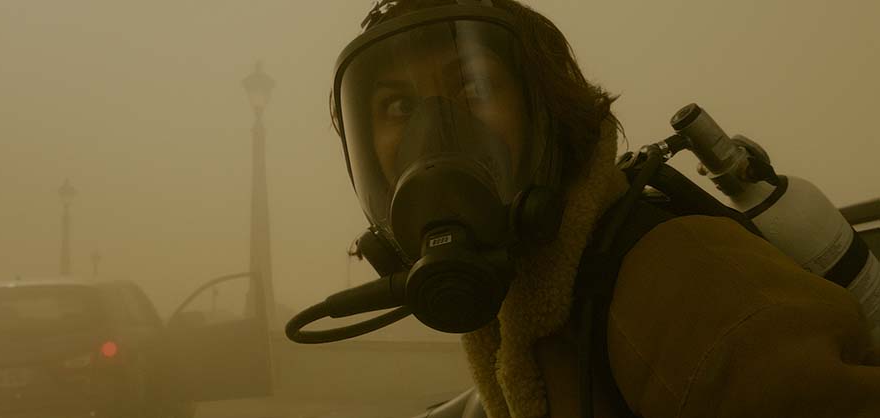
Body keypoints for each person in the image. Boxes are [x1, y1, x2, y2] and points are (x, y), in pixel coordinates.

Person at [325, 1, 880, 417]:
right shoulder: (530, 294)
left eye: (473, 86)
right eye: (397, 105)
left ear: (548, 117)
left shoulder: (686, 284)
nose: (435, 130)